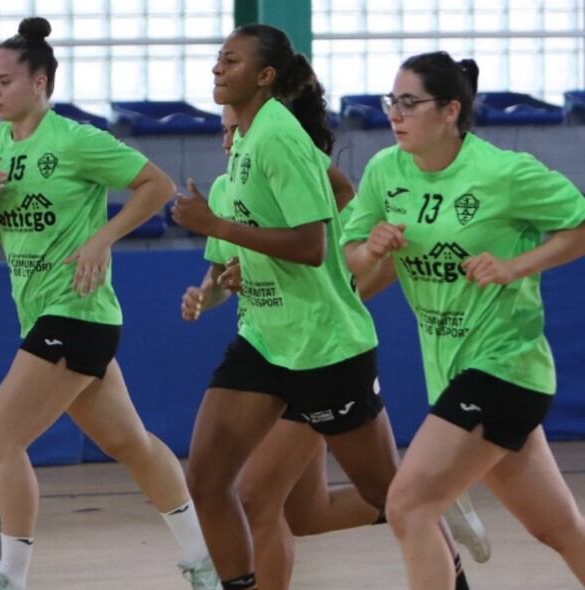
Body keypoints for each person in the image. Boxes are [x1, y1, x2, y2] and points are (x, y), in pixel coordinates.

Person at [172, 25, 470, 590]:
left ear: (264, 76)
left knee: (389, 497)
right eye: (216, 58)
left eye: (230, 60)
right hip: (264, 341)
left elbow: (311, 246)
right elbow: (240, 248)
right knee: (212, 484)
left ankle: (447, 562)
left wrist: (219, 228)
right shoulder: (238, 155)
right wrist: (217, 285)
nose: (216, 69)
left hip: (324, 348)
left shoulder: (279, 137)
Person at [0, 17, 217, 590]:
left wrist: (103, 236)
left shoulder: (76, 140)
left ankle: (11, 574)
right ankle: (201, 561)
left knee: (1, 433)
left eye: (6, 80)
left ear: (41, 82)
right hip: (48, 316)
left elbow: (156, 185)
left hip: (77, 313)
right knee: (130, 443)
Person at [342, 51, 585, 590]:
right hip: (452, 372)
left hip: (506, 367)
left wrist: (514, 266)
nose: (395, 114)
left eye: (410, 102)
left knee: (408, 506)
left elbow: (580, 225)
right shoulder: (386, 171)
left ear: (450, 110)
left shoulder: (502, 173)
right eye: (391, 102)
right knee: (559, 527)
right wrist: (371, 250)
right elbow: (352, 256)